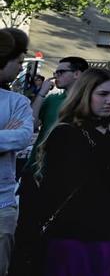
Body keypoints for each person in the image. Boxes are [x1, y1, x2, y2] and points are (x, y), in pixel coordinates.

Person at [36, 68, 110, 275]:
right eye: (103, 94)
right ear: (85, 94)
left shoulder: (107, 132)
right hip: (71, 231)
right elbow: (93, 164)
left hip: (103, 229)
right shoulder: (66, 131)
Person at [0, 30, 33, 274]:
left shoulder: (16, 101)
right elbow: (14, 138)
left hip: (3, 204)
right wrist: (5, 135)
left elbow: (22, 137)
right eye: (19, 62)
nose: (21, 68)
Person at [28, 55, 89, 173]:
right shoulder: (52, 100)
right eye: (55, 72)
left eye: (61, 72)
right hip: (36, 166)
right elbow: (31, 125)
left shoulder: (89, 102)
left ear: (77, 74)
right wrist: (41, 94)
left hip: (69, 170)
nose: (55, 76)